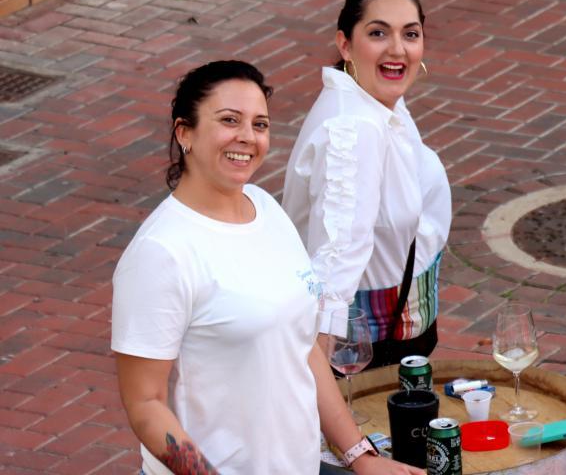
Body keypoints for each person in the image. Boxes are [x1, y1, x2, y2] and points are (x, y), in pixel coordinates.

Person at [112, 60, 420, 475]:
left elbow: (302, 346)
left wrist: (360, 456)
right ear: (185, 132)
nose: (248, 137)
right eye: (229, 120)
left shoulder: (265, 209)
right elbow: (145, 404)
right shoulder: (161, 252)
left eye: (260, 124)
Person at [283, 0, 450, 370]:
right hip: (363, 354)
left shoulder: (375, 101)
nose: (397, 49)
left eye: (410, 34)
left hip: (395, 333)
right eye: (378, 33)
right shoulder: (353, 130)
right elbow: (338, 253)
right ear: (345, 45)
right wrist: (317, 373)